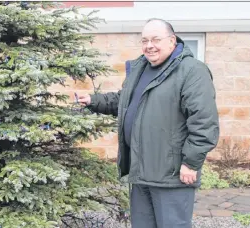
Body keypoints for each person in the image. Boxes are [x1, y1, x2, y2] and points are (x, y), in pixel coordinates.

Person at [78, 18, 219, 228]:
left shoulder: (192, 71)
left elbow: (204, 122)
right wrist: (93, 100)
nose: (149, 45)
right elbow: (124, 100)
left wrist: (191, 163)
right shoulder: (140, 68)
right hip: (141, 171)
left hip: (171, 175)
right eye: (144, 40)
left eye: (155, 39)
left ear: (172, 41)